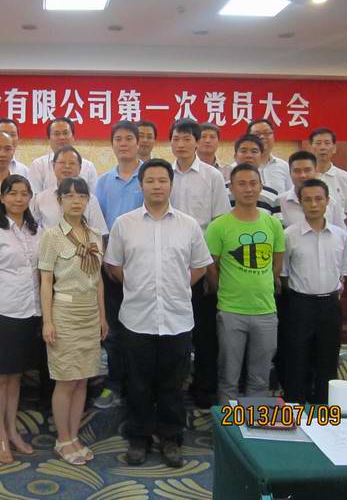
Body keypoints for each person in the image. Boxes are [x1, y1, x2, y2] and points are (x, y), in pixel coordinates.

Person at [104, 159, 213, 467]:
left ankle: (170, 438)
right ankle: (138, 438)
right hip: (137, 317)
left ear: (171, 185)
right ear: (140, 186)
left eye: (162, 180)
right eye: (150, 180)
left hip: (177, 317)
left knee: (172, 383)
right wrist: (137, 285)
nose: (156, 186)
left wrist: (175, 286)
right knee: (137, 383)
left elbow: (200, 266)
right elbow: (114, 265)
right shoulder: (124, 224)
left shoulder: (188, 225)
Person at [40, 176, 108, 465]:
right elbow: (46, 281)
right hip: (64, 314)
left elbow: (98, 279)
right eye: (69, 196)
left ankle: (74, 435)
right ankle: (63, 438)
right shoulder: (52, 236)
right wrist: (47, 321)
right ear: (60, 201)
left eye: (81, 196)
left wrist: (102, 316)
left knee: (82, 380)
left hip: (90, 315)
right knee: (66, 380)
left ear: (88, 200)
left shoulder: (95, 235)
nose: (75, 200)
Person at [206, 164, 285, 405]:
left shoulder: (272, 224)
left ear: (260, 186)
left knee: (259, 377)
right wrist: (223, 291)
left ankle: (255, 422)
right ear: (231, 188)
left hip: (266, 311)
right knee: (228, 376)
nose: (248, 189)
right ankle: (230, 425)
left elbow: (277, 262)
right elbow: (211, 267)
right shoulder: (218, 226)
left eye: (253, 183)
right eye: (241, 184)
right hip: (231, 310)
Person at [169, 119, 231, 409]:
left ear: (197, 142)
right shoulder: (163, 174)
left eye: (186, 139)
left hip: (202, 265)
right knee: (173, 331)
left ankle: (204, 389)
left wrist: (212, 269)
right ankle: (174, 386)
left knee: (205, 332)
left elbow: (219, 223)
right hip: (169, 265)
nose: (180, 144)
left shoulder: (212, 176)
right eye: (175, 139)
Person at [0, 175, 41, 464]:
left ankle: (13, 429)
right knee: (0, 376)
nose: (19, 198)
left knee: (16, 375)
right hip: (4, 312)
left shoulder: (37, 231)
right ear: (2, 198)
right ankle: (0, 434)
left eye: (24, 193)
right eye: (12, 193)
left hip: (31, 311)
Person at [283, 178, 347, 404]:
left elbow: (343, 272)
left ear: (327, 201)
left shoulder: (340, 235)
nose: (313, 204)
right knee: (297, 359)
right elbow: (284, 273)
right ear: (300, 202)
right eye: (308, 199)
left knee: (328, 359)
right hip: (299, 305)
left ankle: (322, 409)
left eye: (319, 199)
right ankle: (295, 409)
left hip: (330, 305)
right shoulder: (289, 235)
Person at [93, 121, 144, 409]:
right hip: (111, 265)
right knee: (113, 331)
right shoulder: (103, 182)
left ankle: (138, 386)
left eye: (128, 139)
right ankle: (113, 385)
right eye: (118, 139)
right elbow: (98, 225)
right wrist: (107, 262)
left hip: (143, 266)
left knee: (141, 329)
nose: (123, 144)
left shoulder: (149, 176)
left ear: (138, 142)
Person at [30, 145, 107, 234]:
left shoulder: (91, 200)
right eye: (62, 162)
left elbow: (100, 233)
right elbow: (32, 230)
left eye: (72, 163)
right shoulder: (40, 199)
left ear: (80, 168)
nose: (67, 166)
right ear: (53, 166)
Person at [278, 150, 346, 229]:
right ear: (290, 173)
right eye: (297, 171)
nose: (303, 175)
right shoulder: (280, 202)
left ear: (316, 171)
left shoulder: (331, 202)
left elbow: (341, 232)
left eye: (307, 170)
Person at [28, 117, 98, 194]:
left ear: (73, 137)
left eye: (65, 133)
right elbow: (34, 197)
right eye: (56, 134)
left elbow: (92, 197)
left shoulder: (88, 167)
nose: (61, 137)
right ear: (49, 139)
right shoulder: (38, 165)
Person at [309, 127, 347, 218]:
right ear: (311, 148)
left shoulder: (345, 178)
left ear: (334, 148)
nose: (322, 147)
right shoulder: (304, 177)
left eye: (327, 143)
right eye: (318, 143)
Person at [227, 135, 280, 216]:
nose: (249, 155)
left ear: (261, 157)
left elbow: (278, 223)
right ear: (235, 156)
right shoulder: (222, 191)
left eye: (254, 151)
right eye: (243, 151)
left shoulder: (273, 195)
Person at [247, 119, 291, 194]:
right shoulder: (237, 168)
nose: (262, 137)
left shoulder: (284, 166)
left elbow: (289, 194)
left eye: (267, 133)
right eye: (257, 134)